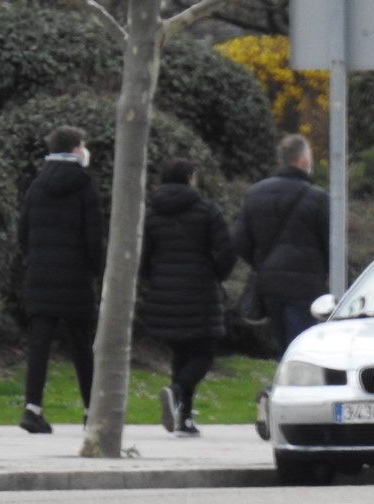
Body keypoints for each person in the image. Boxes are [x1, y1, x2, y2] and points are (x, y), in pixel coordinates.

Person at [140, 159, 237, 437]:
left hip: (164, 294)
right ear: (190, 178)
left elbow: (144, 257)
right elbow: (226, 252)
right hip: (200, 292)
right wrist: (216, 275)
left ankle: (183, 417)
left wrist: (156, 280)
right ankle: (177, 392)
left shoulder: (153, 214)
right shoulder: (208, 211)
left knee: (181, 354)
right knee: (204, 354)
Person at [16, 124, 103, 434]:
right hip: (75, 279)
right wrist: (98, 272)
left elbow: (23, 233)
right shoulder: (84, 186)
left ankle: (32, 408)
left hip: (39, 275)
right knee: (81, 343)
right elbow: (94, 239)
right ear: (76, 149)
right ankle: (92, 410)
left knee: (39, 343)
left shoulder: (36, 185)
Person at [232, 134, 329, 355]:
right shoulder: (319, 198)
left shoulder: (254, 194)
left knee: (282, 346)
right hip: (306, 286)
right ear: (305, 160)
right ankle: (295, 388)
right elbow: (331, 244)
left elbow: (238, 240)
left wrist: (262, 262)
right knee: (301, 348)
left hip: (269, 285)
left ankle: (283, 384)